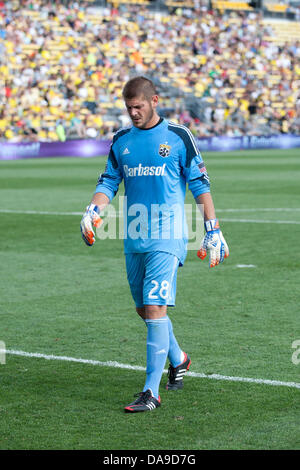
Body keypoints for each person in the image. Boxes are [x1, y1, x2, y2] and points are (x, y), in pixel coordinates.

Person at [80, 76, 229, 413]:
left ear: (154, 101)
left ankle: (151, 391)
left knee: (156, 307)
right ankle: (179, 358)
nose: (133, 113)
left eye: (139, 106)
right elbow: (108, 180)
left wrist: (212, 228)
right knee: (143, 309)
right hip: (134, 236)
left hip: (169, 235)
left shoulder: (178, 137)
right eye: (129, 107)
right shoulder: (121, 140)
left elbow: (200, 184)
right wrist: (93, 209)